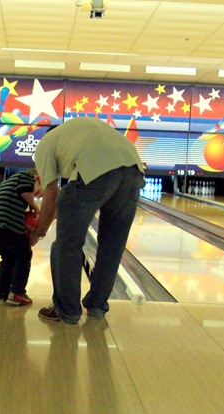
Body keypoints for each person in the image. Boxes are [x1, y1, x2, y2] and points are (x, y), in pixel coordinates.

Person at [29, 117, 145, 324]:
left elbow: (51, 194)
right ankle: (97, 307)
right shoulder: (78, 131)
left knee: (66, 244)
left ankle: (67, 310)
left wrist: (38, 232)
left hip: (96, 171)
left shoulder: (45, 144)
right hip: (134, 171)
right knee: (112, 247)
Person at [0, 169, 42, 306]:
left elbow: (8, 211)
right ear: (38, 178)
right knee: (25, 254)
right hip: (5, 224)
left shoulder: (9, 185)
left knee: (8, 256)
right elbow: (24, 191)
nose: (36, 195)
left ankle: (0, 292)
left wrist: (28, 228)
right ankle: (17, 293)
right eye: (38, 192)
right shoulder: (27, 176)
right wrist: (35, 206)